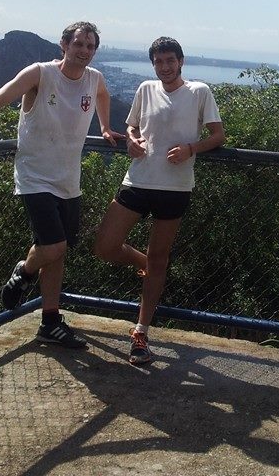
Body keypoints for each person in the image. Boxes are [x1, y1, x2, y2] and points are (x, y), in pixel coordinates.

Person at [0, 21, 123, 349]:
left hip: (68, 180)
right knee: (54, 247)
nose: (84, 51)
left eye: (90, 46)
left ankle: (50, 322)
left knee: (57, 252)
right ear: (64, 44)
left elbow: (103, 95)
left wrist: (107, 127)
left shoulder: (95, 79)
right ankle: (24, 272)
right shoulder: (40, 73)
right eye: (78, 44)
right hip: (35, 176)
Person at [94, 36, 224, 365]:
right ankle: (146, 266)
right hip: (138, 178)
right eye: (159, 61)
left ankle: (140, 332)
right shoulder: (145, 89)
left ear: (181, 62)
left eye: (170, 60)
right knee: (105, 246)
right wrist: (132, 141)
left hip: (175, 187)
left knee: (160, 257)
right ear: (153, 64)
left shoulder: (199, 92)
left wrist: (191, 149)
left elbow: (218, 135)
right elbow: (132, 126)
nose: (165, 67)